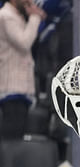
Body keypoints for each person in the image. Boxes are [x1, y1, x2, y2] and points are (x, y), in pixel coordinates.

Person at [0, 0, 45, 140]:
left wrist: (37, 19)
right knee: (11, 138)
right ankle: (7, 162)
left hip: (21, 88)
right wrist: (35, 17)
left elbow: (32, 40)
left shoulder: (17, 16)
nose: (29, 1)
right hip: (12, 89)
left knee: (18, 136)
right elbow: (24, 43)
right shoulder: (6, 16)